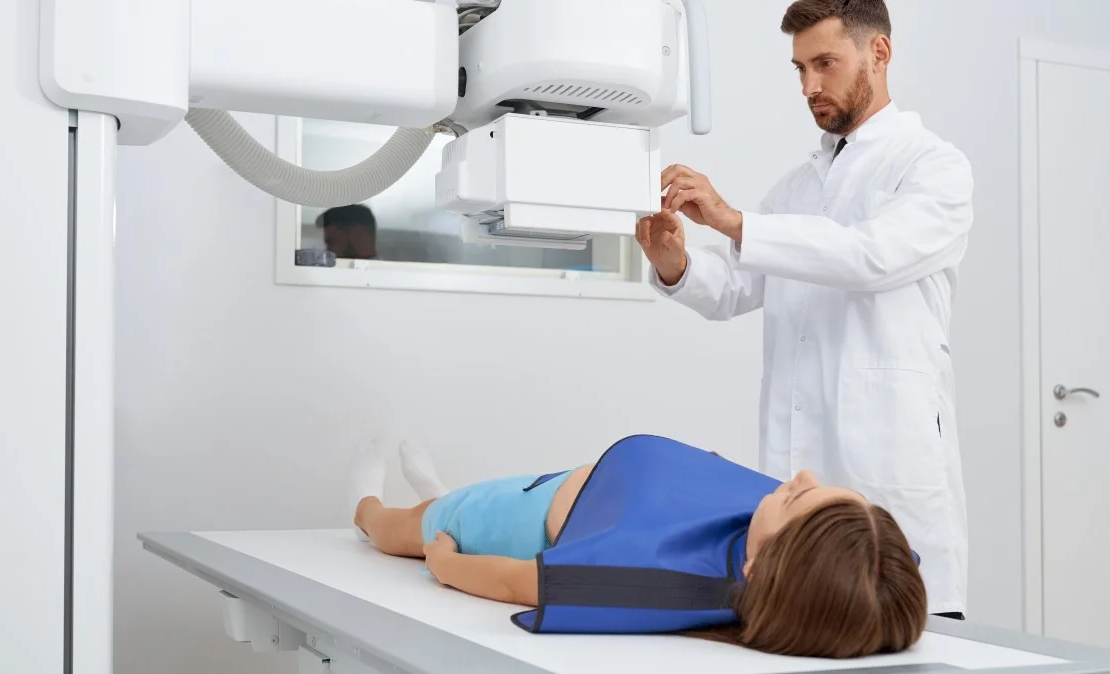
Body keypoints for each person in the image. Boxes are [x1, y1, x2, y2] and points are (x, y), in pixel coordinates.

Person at [635, 0, 973, 619]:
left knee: (908, 635)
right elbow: (735, 286)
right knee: (799, 631)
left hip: (890, 476)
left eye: (825, 64)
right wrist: (674, 262)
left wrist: (736, 221)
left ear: (879, 53)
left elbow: (870, 256)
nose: (809, 86)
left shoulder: (934, 168)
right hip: (800, 491)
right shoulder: (796, 188)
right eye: (799, 69)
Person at [348, 435, 928, 659]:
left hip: (520, 517)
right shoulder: (840, 560)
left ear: (757, 567)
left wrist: (446, 564)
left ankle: (365, 506)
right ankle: (438, 491)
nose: (799, 475)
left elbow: (516, 582)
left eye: (797, 497)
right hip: (576, 487)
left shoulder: (662, 584)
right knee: (454, 502)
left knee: (412, 527)